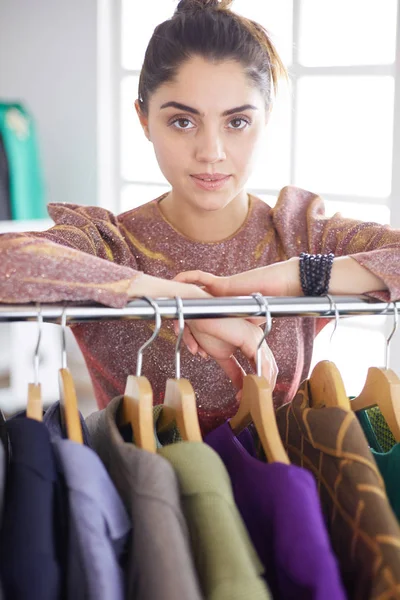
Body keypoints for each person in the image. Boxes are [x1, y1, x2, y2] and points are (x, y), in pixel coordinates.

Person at [1, 0, 400, 434]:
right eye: (183, 122)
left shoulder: (301, 234)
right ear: (144, 119)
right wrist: (180, 303)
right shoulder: (108, 247)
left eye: (237, 122)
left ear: (266, 119)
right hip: (134, 493)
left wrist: (299, 277)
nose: (211, 152)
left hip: (283, 486)